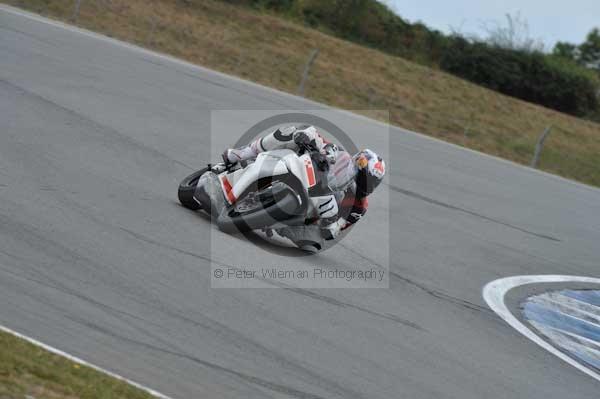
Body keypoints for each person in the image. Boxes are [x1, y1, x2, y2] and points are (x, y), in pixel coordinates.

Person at [218, 125, 386, 251]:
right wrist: (306, 136)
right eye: (362, 174)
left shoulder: (359, 206)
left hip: (312, 211)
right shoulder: (339, 155)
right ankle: (243, 153)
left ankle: (275, 220)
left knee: (313, 245)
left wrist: (331, 224)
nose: (363, 182)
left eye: (369, 181)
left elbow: (337, 228)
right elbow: (315, 135)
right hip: (302, 173)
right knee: (290, 132)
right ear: (356, 162)